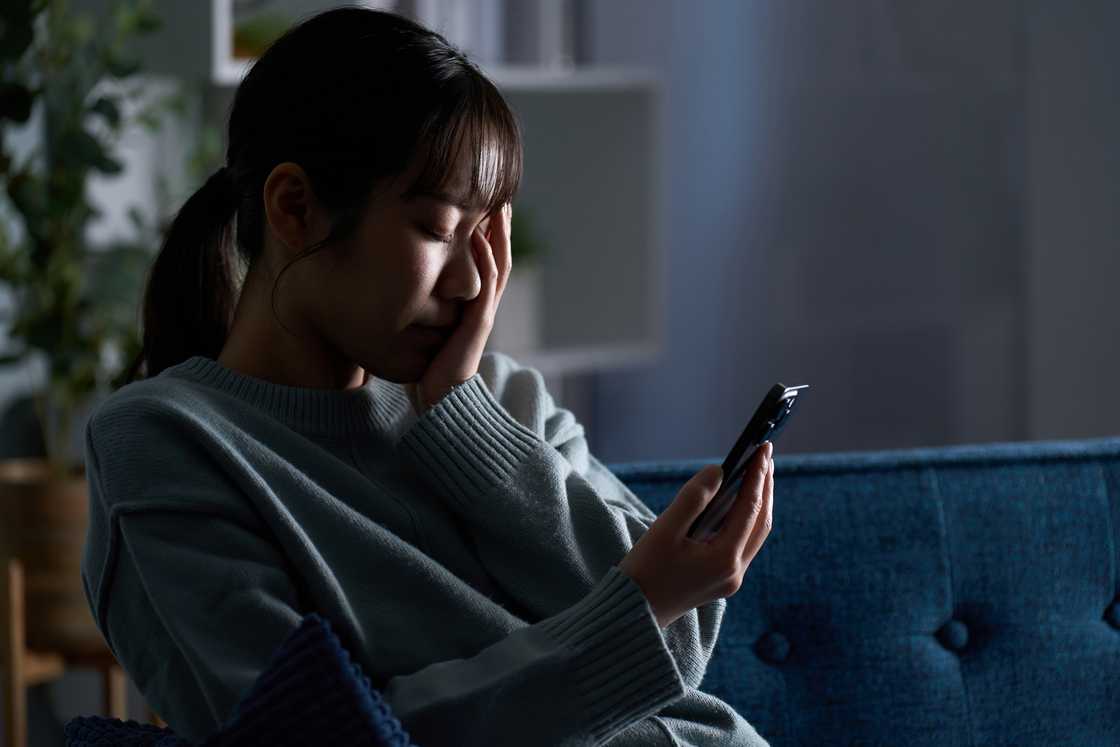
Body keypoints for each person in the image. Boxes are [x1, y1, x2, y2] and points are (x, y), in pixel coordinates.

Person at [81, 7, 775, 746]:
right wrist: (639, 604)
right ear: (294, 208)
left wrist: (465, 426)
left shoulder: (497, 398)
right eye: (441, 231)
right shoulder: (166, 444)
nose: (477, 282)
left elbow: (684, 630)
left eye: (487, 238)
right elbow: (331, 736)